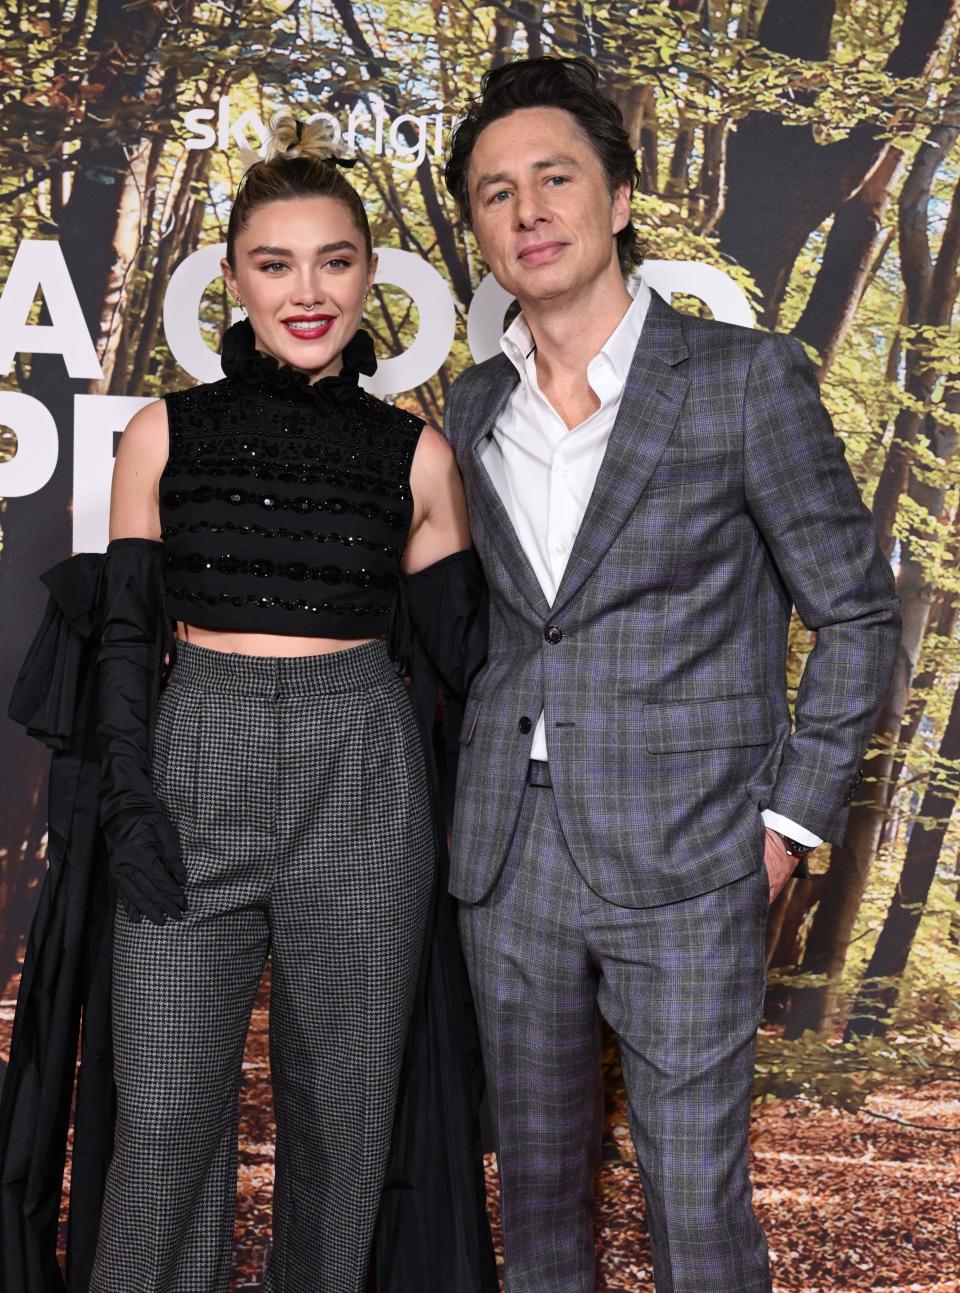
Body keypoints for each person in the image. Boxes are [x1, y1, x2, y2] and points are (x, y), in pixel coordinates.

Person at [441, 56, 900, 1293]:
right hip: (506, 859)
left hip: (695, 855)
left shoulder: (746, 382)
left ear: (621, 198)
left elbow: (857, 617)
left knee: (694, 1200)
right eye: (496, 192)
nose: (528, 210)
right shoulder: (469, 408)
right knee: (537, 1197)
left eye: (556, 178)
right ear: (479, 231)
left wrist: (787, 824)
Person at [63, 113, 493, 1292]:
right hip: (192, 756)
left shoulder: (419, 457)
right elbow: (121, 633)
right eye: (276, 262)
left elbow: (481, 666)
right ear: (234, 279)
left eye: (336, 260)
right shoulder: (162, 431)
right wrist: (129, 796)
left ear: (370, 274)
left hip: (363, 772)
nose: (308, 292)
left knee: (344, 1131)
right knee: (161, 1131)